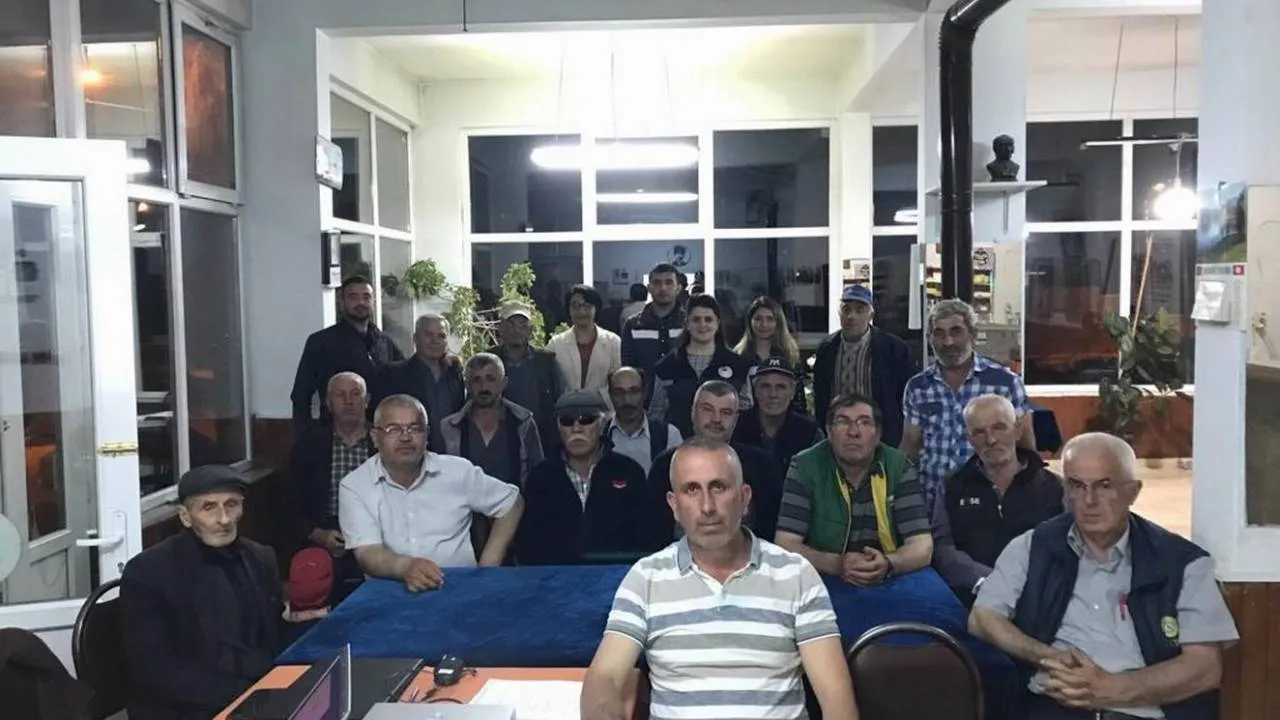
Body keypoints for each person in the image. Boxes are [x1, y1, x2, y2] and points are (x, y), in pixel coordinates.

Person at [581, 438, 858, 720]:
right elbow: (604, 679)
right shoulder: (645, 578)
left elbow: (837, 700)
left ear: (745, 498)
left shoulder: (796, 574)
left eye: (719, 487)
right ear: (674, 506)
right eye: (692, 490)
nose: (707, 506)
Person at [970, 433, 1238, 720]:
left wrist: (1112, 688)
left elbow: (1205, 669)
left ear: (1133, 491)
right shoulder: (1032, 547)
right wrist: (1047, 656)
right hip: (1054, 708)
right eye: (1077, 485)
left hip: (1142, 711)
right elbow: (982, 618)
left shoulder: (1184, 563)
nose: (1089, 500)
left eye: (1104, 485)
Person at [120, 466, 281, 720]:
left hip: (258, 694)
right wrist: (244, 699)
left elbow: (272, 638)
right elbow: (154, 670)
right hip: (185, 708)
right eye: (209, 508)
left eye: (231, 505)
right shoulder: (147, 573)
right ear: (185, 516)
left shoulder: (260, 557)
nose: (224, 519)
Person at [338, 395, 525, 591]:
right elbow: (367, 553)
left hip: (459, 590)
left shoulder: (457, 472)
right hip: (389, 595)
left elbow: (512, 502)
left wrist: (487, 568)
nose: (405, 437)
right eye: (394, 429)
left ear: (427, 435)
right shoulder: (355, 486)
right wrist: (406, 568)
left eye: (415, 429)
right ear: (375, 437)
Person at [775, 394, 933, 586]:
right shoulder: (804, 466)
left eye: (864, 422)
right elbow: (785, 543)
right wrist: (836, 564)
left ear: (878, 434)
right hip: (823, 575)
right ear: (829, 431)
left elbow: (922, 545)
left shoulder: (899, 466)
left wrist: (888, 563)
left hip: (893, 574)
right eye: (843, 422)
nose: (853, 432)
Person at [901, 298, 1036, 510]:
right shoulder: (918, 387)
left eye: (956, 332)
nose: (948, 342)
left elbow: (1026, 446)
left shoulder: (1005, 383)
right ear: (930, 339)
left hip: (990, 503)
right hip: (932, 501)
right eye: (939, 333)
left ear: (972, 334)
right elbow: (910, 446)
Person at [933, 394, 1065, 607]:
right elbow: (943, 550)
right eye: (979, 432)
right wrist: (988, 582)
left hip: (1040, 600)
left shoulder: (1056, 487)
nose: (991, 440)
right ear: (969, 439)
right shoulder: (951, 487)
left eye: (999, 428)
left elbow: (1069, 547)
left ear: (1018, 429)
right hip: (974, 599)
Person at [515, 390, 649, 565]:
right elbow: (528, 544)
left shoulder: (629, 472)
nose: (576, 428)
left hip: (617, 575)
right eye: (567, 421)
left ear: (603, 423)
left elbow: (645, 536)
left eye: (586, 419)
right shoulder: (540, 478)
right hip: (556, 578)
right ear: (558, 427)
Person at [645, 381, 782, 545]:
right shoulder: (665, 465)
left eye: (726, 412)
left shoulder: (762, 465)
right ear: (693, 413)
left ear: (736, 420)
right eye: (707, 409)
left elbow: (771, 528)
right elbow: (654, 531)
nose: (716, 419)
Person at [287, 372, 373, 601]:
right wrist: (318, 534)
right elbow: (289, 503)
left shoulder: (383, 443)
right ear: (328, 403)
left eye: (355, 394)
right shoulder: (309, 444)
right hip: (325, 532)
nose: (348, 401)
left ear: (367, 400)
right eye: (340, 395)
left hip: (376, 532)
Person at [290, 275, 404, 432]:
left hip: (379, 433)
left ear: (373, 302)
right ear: (341, 303)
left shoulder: (384, 342)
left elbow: (406, 377)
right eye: (353, 297)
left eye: (366, 297)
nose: (360, 302)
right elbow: (301, 395)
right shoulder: (321, 342)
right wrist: (305, 435)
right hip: (335, 434)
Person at [812, 284, 915, 447]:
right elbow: (821, 396)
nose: (851, 316)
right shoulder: (827, 349)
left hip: (882, 437)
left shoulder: (893, 349)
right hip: (837, 436)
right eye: (846, 310)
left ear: (871, 314)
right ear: (839, 313)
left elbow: (905, 397)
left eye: (859, 310)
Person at [648, 294, 752, 439]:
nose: (702, 325)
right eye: (696, 319)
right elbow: (656, 414)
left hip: (725, 446)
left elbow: (746, 411)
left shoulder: (738, 365)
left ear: (717, 323)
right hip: (679, 445)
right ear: (687, 323)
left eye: (708, 319)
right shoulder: (666, 366)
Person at [438, 353, 544, 488]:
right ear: (467, 385)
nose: (484, 387)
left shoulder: (523, 423)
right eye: (476, 380)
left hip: (515, 500)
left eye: (490, 379)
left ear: (503, 383)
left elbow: (538, 475)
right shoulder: (449, 428)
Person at [379, 312, 466, 453]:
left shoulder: (455, 375)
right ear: (415, 339)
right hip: (412, 455)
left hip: (452, 457)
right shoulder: (394, 375)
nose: (435, 341)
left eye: (441, 336)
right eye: (428, 335)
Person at [487, 301, 564, 456]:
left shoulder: (546, 361)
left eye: (522, 325)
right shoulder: (489, 359)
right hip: (500, 440)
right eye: (510, 325)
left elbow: (558, 401)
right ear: (500, 329)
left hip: (542, 442)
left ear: (530, 330)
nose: (516, 330)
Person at [732, 357, 824, 477]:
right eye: (765, 386)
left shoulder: (810, 433)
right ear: (756, 390)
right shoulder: (735, 426)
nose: (773, 394)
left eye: (781, 387)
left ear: (792, 392)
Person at [620, 263, 686, 402]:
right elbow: (629, 368)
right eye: (657, 283)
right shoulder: (633, 325)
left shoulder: (689, 324)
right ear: (649, 288)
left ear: (678, 288)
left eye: (669, 282)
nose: (663, 288)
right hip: (644, 401)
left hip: (684, 400)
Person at [545, 284, 622, 402]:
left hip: (603, 408)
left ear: (596, 308)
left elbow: (617, 382)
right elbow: (549, 382)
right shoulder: (555, 344)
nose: (581, 311)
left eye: (587, 305)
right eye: (575, 306)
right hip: (566, 408)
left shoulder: (613, 342)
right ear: (568, 310)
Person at [733, 296, 808, 415]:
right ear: (750, 322)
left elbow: (799, 403)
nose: (764, 324)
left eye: (770, 319)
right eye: (758, 319)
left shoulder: (790, 357)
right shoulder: (738, 357)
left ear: (778, 323)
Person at [604, 367, 682, 474]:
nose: (627, 400)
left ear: (644, 393)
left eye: (634, 391)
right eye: (619, 392)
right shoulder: (599, 436)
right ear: (610, 395)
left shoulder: (669, 435)